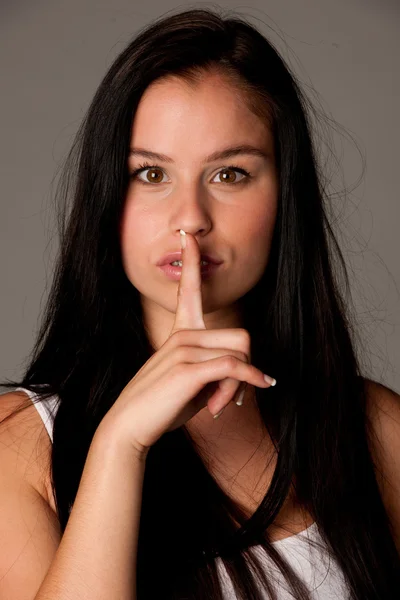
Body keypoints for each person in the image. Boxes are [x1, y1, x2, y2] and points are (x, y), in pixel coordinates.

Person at [0, 7, 399, 600]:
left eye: (230, 174)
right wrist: (120, 446)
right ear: (107, 193)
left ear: (285, 197)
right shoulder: (20, 449)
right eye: (151, 174)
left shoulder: (377, 430)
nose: (190, 218)